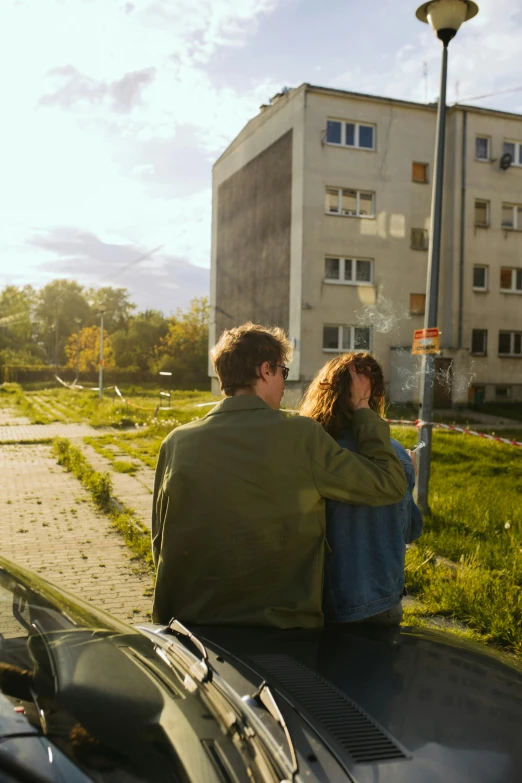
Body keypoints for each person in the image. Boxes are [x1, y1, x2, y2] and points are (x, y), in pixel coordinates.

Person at [151, 323, 407, 628]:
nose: (284, 386)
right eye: (283, 373)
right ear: (265, 370)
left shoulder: (176, 442)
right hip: (278, 634)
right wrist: (363, 409)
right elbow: (389, 484)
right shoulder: (301, 436)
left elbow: (160, 541)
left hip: (186, 633)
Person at [300, 352, 423, 625]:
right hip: (385, 605)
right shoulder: (398, 457)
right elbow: (412, 530)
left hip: (328, 603)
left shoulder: (317, 454)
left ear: (325, 393)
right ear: (376, 396)